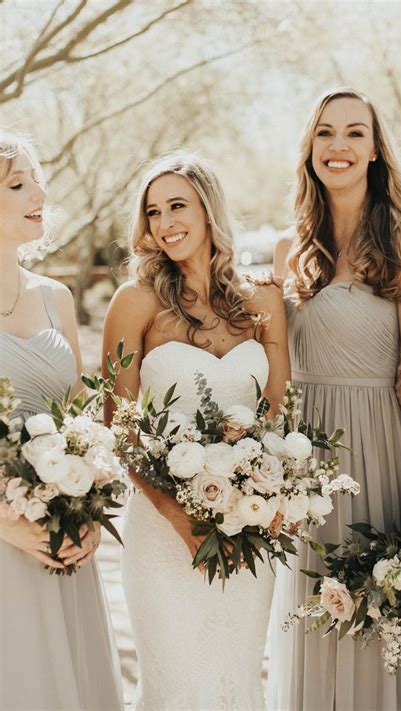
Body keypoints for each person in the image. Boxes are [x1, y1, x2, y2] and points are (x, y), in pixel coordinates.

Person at [267, 87, 401, 711]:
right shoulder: (290, 251)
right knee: (316, 620)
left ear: (376, 151)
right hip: (309, 465)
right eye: (324, 133)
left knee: (377, 626)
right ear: (309, 149)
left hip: (379, 451)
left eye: (353, 133)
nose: (337, 145)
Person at [102, 150, 290, 710]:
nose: (165, 223)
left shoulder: (265, 301)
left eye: (177, 205)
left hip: (249, 529)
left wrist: (265, 501)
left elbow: (279, 413)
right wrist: (179, 516)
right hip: (162, 531)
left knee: (237, 675)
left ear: (209, 211)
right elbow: (119, 425)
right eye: (153, 212)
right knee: (174, 682)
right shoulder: (133, 303)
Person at [0, 131, 123, 710]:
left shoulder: (57, 298)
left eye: (37, 179)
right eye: (18, 183)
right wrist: (6, 523)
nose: (38, 193)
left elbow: (80, 419)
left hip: (60, 528)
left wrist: (91, 511)